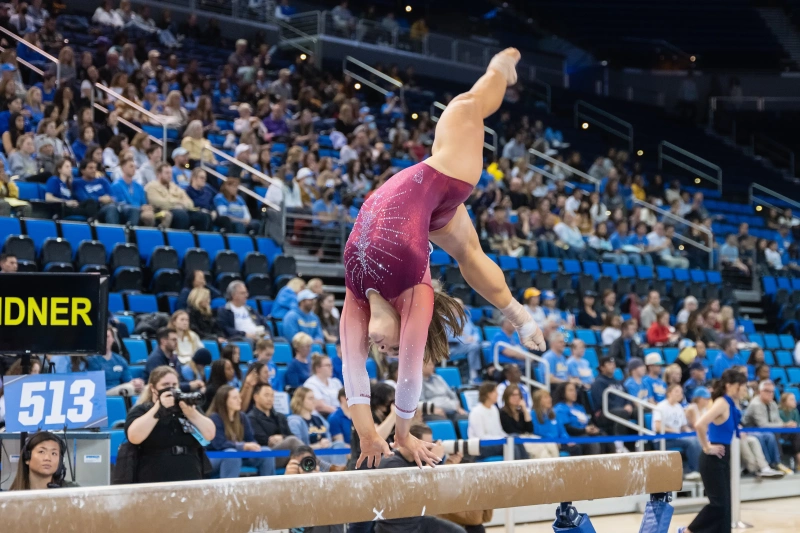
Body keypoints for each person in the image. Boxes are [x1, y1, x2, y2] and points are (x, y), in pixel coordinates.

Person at [341, 49, 546, 469]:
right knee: (464, 106)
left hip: (425, 204)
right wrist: (402, 435)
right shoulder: (416, 294)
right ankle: (498, 72)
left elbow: (353, 375)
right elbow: (411, 376)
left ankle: (522, 318)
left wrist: (367, 435)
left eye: (387, 352)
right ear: (406, 324)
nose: (386, 349)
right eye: (396, 347)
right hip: (444, 179)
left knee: (470, 251)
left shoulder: (356, 298)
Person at [677, 369, 748, 533]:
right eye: (741, 385)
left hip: (723, 457)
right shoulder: (722, 402)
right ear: (730, 386)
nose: (745, 389)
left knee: (726, 507)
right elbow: (700, 424)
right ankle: (688, 531)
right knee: (719, 505)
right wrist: (707, 447)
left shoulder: (732, 403)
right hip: (713, 459)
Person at [125, 366, 216, 483]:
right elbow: (134, 437)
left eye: (174, 385)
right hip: (154, 475)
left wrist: (191, 413)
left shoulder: (188, 408)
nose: (171, 389)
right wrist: (158, 408)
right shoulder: (142, 410)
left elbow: (210, 434)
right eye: (166, 385)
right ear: (153, 388)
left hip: (191, 472)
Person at [375, 424, 469, 533]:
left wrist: (450, 463)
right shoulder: (390, 462)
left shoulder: (419, 460)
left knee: (458, 531)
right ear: (413, 444)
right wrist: (433, 459)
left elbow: (435, 485)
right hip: (394, 526)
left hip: (417, 520)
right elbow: (415, 489)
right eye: (427, 446)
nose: (429, 449)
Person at [206, 385, 275, 478]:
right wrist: (243, 446)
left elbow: (250, 438)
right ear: (224, 400)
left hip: (239, 454)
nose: (240, 400)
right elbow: (219, 444)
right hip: (216, 456)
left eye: (239, 397)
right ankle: (228, 491)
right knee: (231, 455)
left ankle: (268, 488)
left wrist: (253, 446)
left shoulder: (242, 417)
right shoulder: (214, 418)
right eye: (235, 398)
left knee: (266, 452)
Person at [743, 380, 797, 475]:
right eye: (767, 391)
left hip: (768, 429)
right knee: (770, 434)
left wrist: (787, 425)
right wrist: (784, 425)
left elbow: (778, 421)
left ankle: (797, 462)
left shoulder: (773, 404)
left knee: (795, 432)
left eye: (772, 391)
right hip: (752, 430)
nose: (770, 394)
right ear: (760, 392)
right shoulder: (756, 404)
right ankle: (774, 463)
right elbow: (763, 425)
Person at [248, 383, 304, 468]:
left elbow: (291, 435)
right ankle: (322, 467)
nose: (270, 399)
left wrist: (282, 437)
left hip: (286, 454)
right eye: (266, 395)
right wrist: (278, 440)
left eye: (272, 396)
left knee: (296, 448)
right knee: (292, 442)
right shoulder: (251, 418)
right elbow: (261, 439)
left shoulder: (280, 417)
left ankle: (317, 468)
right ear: (255, 397)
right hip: (264, 455)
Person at [653, 384, 702, 481]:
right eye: (677, 391)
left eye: (681, 392)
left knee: (696, 440)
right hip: (663, 439)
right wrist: (673, 431)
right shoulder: (661, 406)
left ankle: (696, 471)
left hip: (678, 437)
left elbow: (683, 426)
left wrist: (690, 432)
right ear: (669, 393)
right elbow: (657, 427)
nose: (680, 394)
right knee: (690, 443)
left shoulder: (679, 407)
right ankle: (693, 470)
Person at [467, 382, 527, 460]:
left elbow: (499, 431)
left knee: (514, 438)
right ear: (488, 394)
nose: (497, 394)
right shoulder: (476, 412)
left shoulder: (494, 409)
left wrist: (506, 437)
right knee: (512, 446)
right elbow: (480, 436)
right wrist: (502, 439)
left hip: (496, 442)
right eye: (495, 392)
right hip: (481, 446)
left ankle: (526, 467)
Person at [553, 382, 613, 455]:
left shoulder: (579, 407)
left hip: (585, 433)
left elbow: (588, 421)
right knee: (592, 443)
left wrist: (593, 428)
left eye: (575, 390)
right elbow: (566, 428)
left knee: (603, 436)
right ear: (563, 392)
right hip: (573, 435)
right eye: (570, 390)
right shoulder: (560, 408)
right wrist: (584, 430)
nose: (574, 393)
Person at [590, 356, 633, 452]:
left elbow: (627, 395)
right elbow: (601, 402)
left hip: (621, 409)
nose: (612, 366)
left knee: (638, 411)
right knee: (622, 413)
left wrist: (629, 404)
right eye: (609, 364)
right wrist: (623, 407)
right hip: (604, 413)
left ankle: (643, 442)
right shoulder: (598, 382)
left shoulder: (617, 381)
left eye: (613, 364)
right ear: (602, 367)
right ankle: (619, 444)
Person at [86, 327, 144, 397]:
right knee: (128, 388)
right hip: (102, 393)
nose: (105, 340)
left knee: (145, 388)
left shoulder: (120, 360)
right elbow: (94, 385)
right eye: (102, 337)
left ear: (113, 339)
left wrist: (136, 383)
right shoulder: (92, 360)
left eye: (107, 337)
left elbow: (128, 380)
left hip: (120, 390)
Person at [144, 327, 204, 393]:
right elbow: (163, 385)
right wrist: (189, 386)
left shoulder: (174, 357)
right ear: (163, 341)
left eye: (177, 340)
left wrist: (194, 384)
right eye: (173, 340)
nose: (177, 342)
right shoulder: (155, 359)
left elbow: (180, 379)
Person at [779, 392, 800, 470]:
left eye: (794, 399)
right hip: (782, 434)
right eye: (791, 399)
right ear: (784, 402)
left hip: (794, 435)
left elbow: (797, 424)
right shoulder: (779, 412)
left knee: (797, 433)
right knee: (797, 434)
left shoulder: (795, 411)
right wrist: (786, 424)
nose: (794, 401)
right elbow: (778, 424)